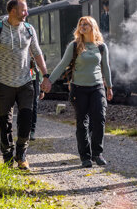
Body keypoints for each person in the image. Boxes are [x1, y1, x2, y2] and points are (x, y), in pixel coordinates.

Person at [0, 0, 47, 171]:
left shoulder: (29, 29)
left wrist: (45, 75)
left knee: (26, 120)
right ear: (12, 10)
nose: (26, 13)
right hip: (3, 82)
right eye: (24, 10)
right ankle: (7, 157)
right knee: (6, 123)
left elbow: (37, 53)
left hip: (26, 81)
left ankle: (22, 156)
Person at [42, 16, 112, 168]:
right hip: (79, 88)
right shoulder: (74, 46)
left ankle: (97, 154)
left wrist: (109, 87)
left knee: (99, 119)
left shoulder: (101, 47)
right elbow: (62, 65)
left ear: (93, 27)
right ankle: (85, 157)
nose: (83, 27)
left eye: (86, 24)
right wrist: (49, 81)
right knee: (83, 123)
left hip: (97, 87)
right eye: (81, 24)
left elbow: (105, 67)